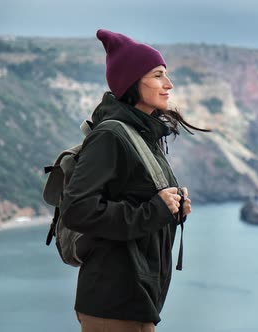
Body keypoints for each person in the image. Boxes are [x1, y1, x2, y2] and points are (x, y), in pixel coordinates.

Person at [60, 29, 210, 332]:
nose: (168, 85)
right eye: (157, 75)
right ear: (131, 82)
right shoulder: (111, 136)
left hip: (134, 301)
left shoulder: (145, 135)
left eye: (166, 75)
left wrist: (171, 210)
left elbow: (137, 205)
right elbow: (78, 210)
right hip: (114, 302)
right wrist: (154, 210)